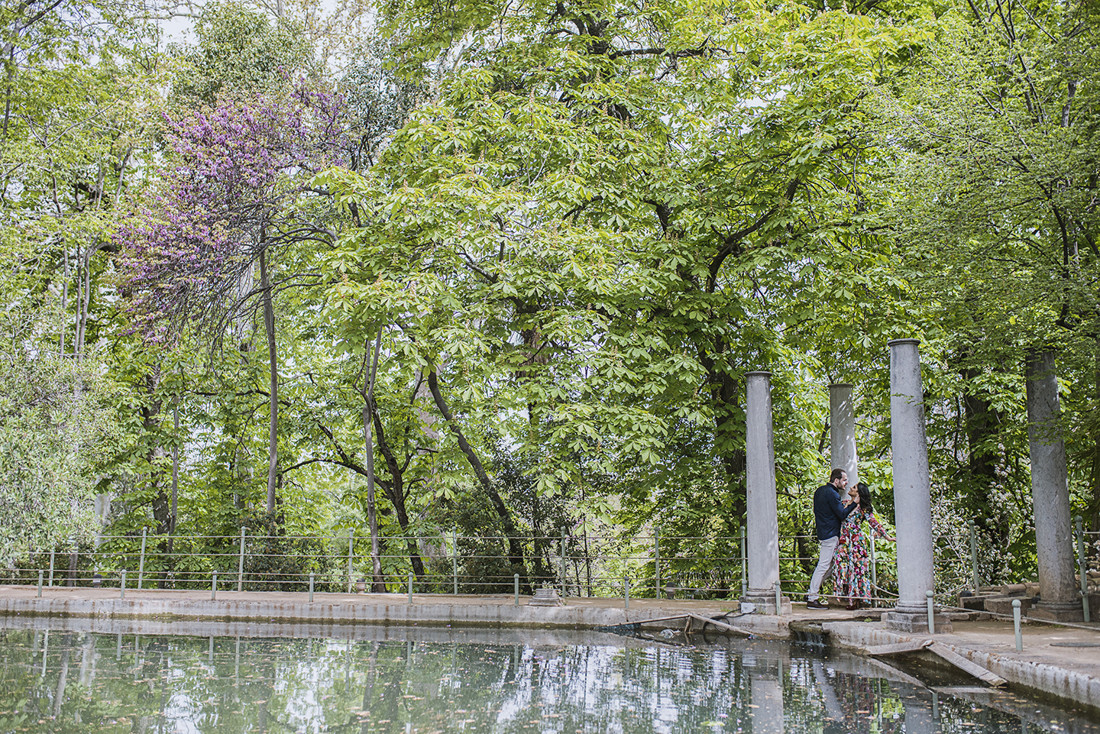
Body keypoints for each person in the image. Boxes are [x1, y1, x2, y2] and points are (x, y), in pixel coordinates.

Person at [834, 482, 895, 611]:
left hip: (856, 541)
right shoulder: (844, 503)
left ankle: (856, 600)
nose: (851, 487)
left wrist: (887, 537)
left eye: (854, 487)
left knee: (857, 570)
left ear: (859, 493)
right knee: (842, 566)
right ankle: (847, 596)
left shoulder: (863, 508)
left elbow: (874, 523)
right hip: (844, 540)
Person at [806, 468, 857, 609]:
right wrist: (855, 503)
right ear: (836, 480)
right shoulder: (832, 494)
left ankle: (812, 591)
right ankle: (812, 597)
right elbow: (842, 514)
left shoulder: (819, 491)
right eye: (844, 480)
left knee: (829, 566)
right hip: (830, 535)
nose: (846, 483)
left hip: (823, 532)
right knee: (824, 566)